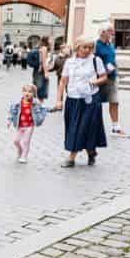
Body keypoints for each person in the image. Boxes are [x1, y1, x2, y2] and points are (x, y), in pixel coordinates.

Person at [54, 37, 109, 167]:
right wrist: (59, 100)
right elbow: (63, 81)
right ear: (77, 47)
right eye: (85, 47)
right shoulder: (69, 62)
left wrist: (94, 82)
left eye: (90, 48)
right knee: (74, 127)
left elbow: (104, 77)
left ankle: (72, 158)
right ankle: (90, 151)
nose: (88, 50)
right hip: (73, 99)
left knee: (86, 127)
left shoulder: (96, 60)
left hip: (90, 99)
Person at [94, 22, 127, 135]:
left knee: (114, 101)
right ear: (103, 32)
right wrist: (103, 70)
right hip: (100, 78)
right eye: (110, 31)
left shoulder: (111, 45)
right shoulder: (95, 45)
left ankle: (116, 127)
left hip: (112, 78)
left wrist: (115, 67)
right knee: (96, 103)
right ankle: (93, 126)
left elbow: (112, 59)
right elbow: (93, 62)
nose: (113, 33)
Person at [7, 81, 46, 163]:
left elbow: (44, 109)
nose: (27, 93)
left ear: (33, 94)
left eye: (30, 92)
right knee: (16, 141)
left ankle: (24, 156)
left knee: (26, 141)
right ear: (22, 92)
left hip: (29, 126)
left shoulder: (35, 103)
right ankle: (20, 150)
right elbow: (12, 112)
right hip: (20, 126)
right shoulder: (18, 103)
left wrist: (41, 117)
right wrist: (9, 121)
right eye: (25, 91)